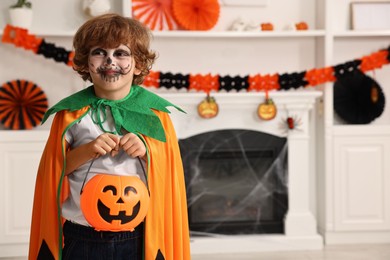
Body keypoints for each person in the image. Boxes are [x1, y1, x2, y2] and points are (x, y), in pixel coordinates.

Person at [28, 13, 190, 260]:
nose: (110, 61)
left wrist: (148, 151)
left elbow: (169, 175)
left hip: (139, 236)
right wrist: (88, 150)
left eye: (121, 53)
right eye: (99, 52)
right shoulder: (72, 114)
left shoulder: (155, 114)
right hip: (82, 234)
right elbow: (55, 172)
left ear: (137, 64)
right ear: (85, 63)